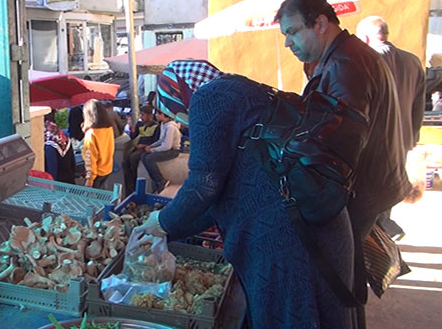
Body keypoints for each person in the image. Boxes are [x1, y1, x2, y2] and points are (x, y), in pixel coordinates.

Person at [138, 74, 357, 328]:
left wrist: (162, 222)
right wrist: (169, 231)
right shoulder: (237, 93)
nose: (181, 119)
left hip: (289, 243)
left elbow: (204, 185)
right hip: (312, 230)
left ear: (176, 92)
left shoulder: (208, 97)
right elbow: (215, 198)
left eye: (174, 111)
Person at [274, 0, 411, 327]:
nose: (288, 43)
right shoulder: (343, 57)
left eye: (292, 32)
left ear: (320, 23)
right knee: (346, 279)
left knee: (335, 284)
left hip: (359, 191)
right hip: (372, 184)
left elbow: (337, 145)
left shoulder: (347, 64)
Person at [356, 16, 427, 239]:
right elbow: (419, 106)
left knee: (370, 197)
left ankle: (385, 232)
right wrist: (411, 139)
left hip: (374, 142)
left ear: (366, 38)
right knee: (386, 194)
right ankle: (384, 233)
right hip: (401, 140)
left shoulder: (366, 60)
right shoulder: (413, 61)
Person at [122, 105, 160, 197]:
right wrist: (132, 130)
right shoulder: (140, 125)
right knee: (125, 161)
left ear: (150, 115)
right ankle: (129, 185)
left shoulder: (156, 127)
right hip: (136, 147)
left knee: (133, 158)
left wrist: (145, 146)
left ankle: (135, 179)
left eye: (143, 115)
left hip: (146, 149)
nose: (141, 117)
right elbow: (133, 137)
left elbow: (156, 141)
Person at [141, 109, 181, 193]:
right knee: (143, 156)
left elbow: (167, 146)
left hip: (172, 151)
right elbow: (161, 140)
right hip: (166, 148)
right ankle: (155, 182)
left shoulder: (170, 127)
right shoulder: (163, 124)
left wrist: (152, 150)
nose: (156, 115)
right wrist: (151, 146)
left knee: (149, 159)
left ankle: (160, 180)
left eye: (158, 114)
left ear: (164, 115)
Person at [81, 99, 115, 188]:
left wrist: (89, 179)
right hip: (107, 169)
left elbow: (90, 158)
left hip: (95, 174)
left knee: (91, 201)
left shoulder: (91, 134)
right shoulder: (108, 129)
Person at [44, 119, 76, 184]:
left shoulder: (50, 146)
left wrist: (51, 185)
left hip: (58, 185)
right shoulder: (65, 139)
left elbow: (52, 169)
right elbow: (73, 163)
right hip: (70, 180)